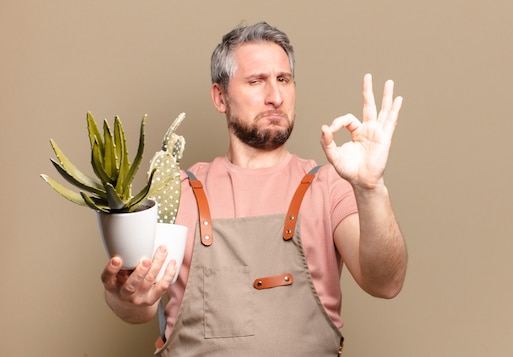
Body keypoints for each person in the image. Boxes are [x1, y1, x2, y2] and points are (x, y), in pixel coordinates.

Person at [100, 21, 407, 356]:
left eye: (283, 80)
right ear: (220, 96)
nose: (275, 97)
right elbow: (140, 306)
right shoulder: (178, 192)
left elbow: (386, 283)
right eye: (256, 81)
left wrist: (371, 188)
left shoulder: (330, 185)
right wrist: (124, 296)